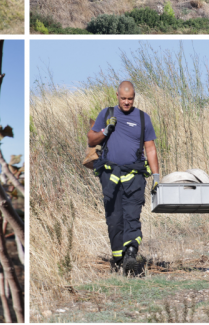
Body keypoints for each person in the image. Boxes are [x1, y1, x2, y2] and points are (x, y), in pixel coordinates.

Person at [87, 81, 160, 276]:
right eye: (123, 98)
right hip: (110, 176)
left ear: (134, 97)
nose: (127, 102)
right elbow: (91, 139)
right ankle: (119, 260)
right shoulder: (107, 114)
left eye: (130, 99)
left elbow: (150, 148)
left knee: (132, 216)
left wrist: (156, 177)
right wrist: (105, 130)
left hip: (134, 174)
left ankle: (131, 254)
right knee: (114, 219)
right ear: (117, 96)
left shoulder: (143, 119)